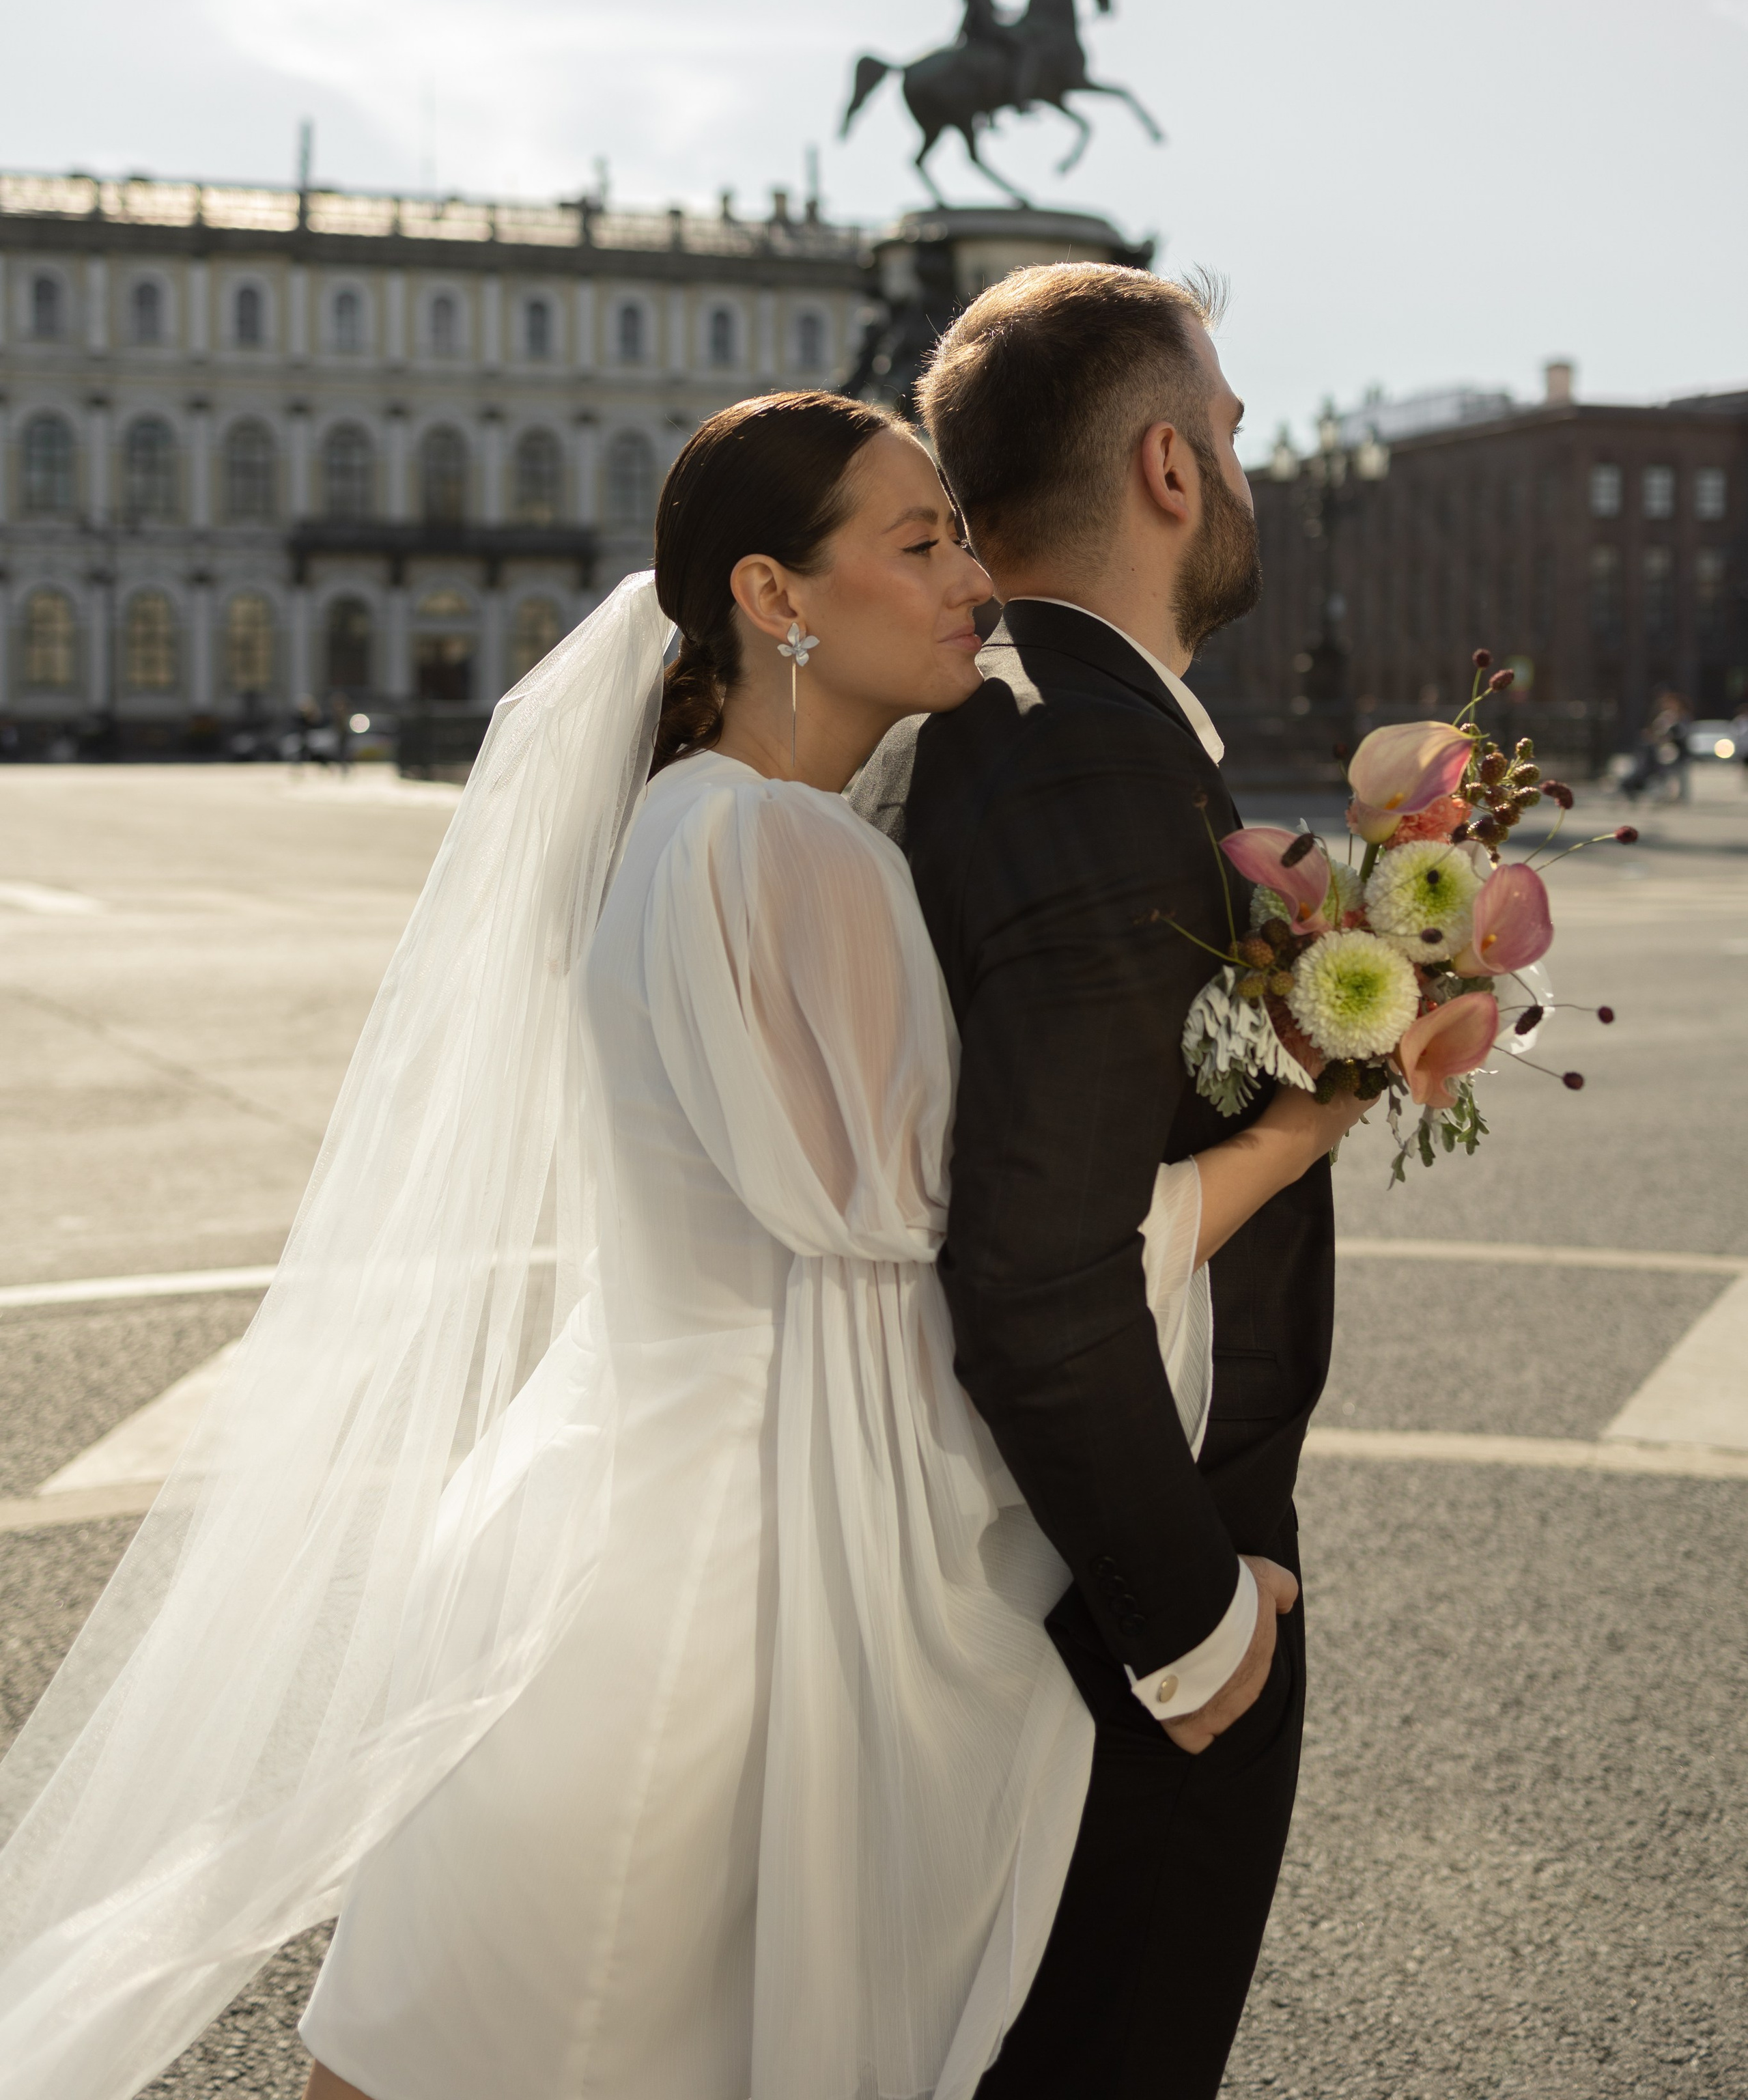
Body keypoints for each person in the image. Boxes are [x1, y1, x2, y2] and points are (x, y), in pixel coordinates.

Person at [0, 392, 1359, 2100]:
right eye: (918, 542)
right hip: (721, 1586)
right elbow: (972, 1249)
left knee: (442, 2045)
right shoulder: (786, 850)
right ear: (777, 597)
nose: (970, 580)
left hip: (606, 1513)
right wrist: (1301, 1121)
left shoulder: (702, 825)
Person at [852, 262, 1352, 2098]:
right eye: (1228, 432)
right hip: (1109, 1621)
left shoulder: (990, 730)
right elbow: (1041, 1267)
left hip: (1022, 1585)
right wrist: (1199, 1625)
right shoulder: (1084, 761)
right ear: (1163, 467)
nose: (1245, 465)